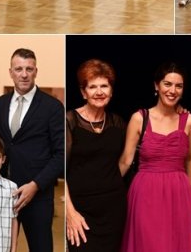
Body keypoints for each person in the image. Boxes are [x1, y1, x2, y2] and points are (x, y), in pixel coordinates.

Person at [0, 48, 65, 251]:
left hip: (38, 196)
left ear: (36, 71)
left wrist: (35, 185)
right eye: (19, 69)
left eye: (29, 69)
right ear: (11, 72)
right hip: (4, 194)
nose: (24, 74)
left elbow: (61, 154)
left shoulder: (52, 107)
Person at [119, 63, 191, 252]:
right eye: (167, 84)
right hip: (145, 194)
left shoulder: (190, 121)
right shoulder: (139, 118)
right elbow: (125, 160)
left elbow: (190, 159)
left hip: (179, 194)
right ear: (156, 85)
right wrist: (104, 191)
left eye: (178, 86)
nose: (172, 90)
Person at [66, 59, 127, 251]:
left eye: (104, 86)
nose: (99, 92)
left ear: (111, 90)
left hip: (113, 209)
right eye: (92, 87)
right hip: (80, 211)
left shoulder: (118, 123)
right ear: (83, 92)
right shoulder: (69, 121)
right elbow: (60, 172)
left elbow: (125, 162)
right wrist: (70, 213)